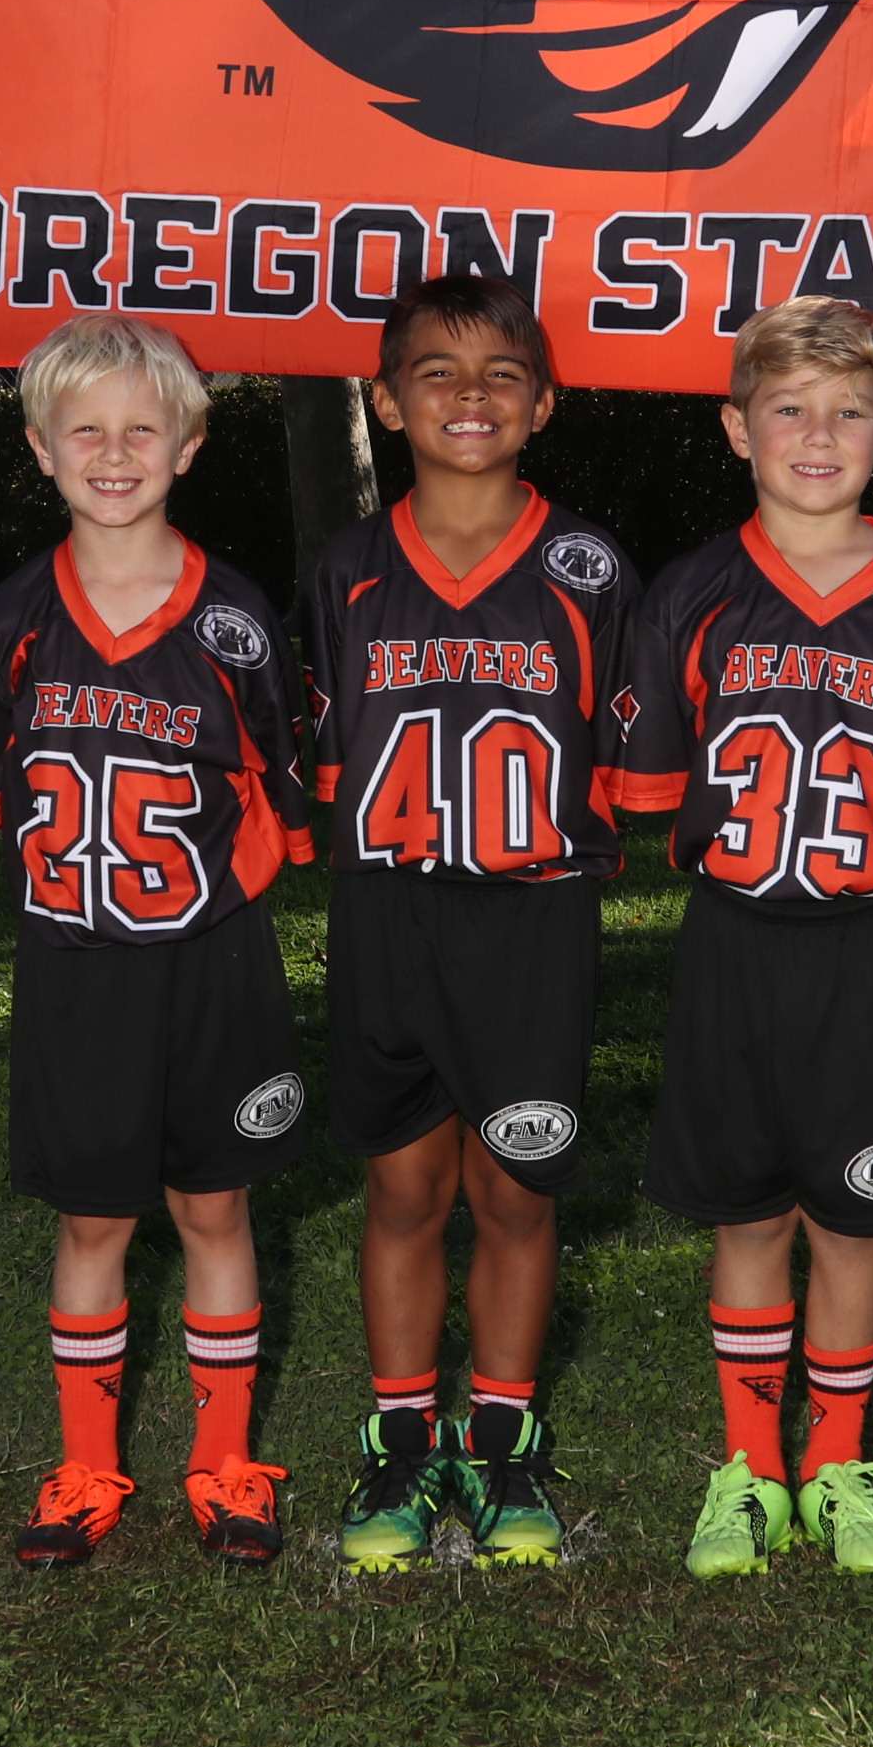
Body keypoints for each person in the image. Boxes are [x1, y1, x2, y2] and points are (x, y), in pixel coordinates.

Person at [615, 297, 873, 1578]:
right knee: (747, 1216)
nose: (818, 435)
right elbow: (657, 791)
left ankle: (836, 1464)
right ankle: (749, 1466)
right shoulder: (691, 593)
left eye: (848, 411)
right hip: (738, 940)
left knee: (856, 1218)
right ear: (738, 428)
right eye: (789, 409)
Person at [0, 317, 315, 1570]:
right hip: (75, 961)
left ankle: (225, 1462)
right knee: (93, 1221)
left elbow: (279, 795)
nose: (115, 454)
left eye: (141, 430)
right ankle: (85, 1463)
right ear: (41, 448)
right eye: (87, 432)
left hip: (212, 958)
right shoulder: (10, 617)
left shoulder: (237, 618)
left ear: (190, 445)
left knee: (216, 1204)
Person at [299, 271, 634, 1572]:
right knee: (401, 1186)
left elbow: (625, 753)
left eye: (502, 373)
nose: (470, 395)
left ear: (543, 402)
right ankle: (399, 1439)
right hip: (389, 909)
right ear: (387, 403)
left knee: (515, 1186)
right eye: (435, 372)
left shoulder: (588, 569)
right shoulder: (345, 571)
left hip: (535, 917)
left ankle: (501, 1440)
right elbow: (327, 756)